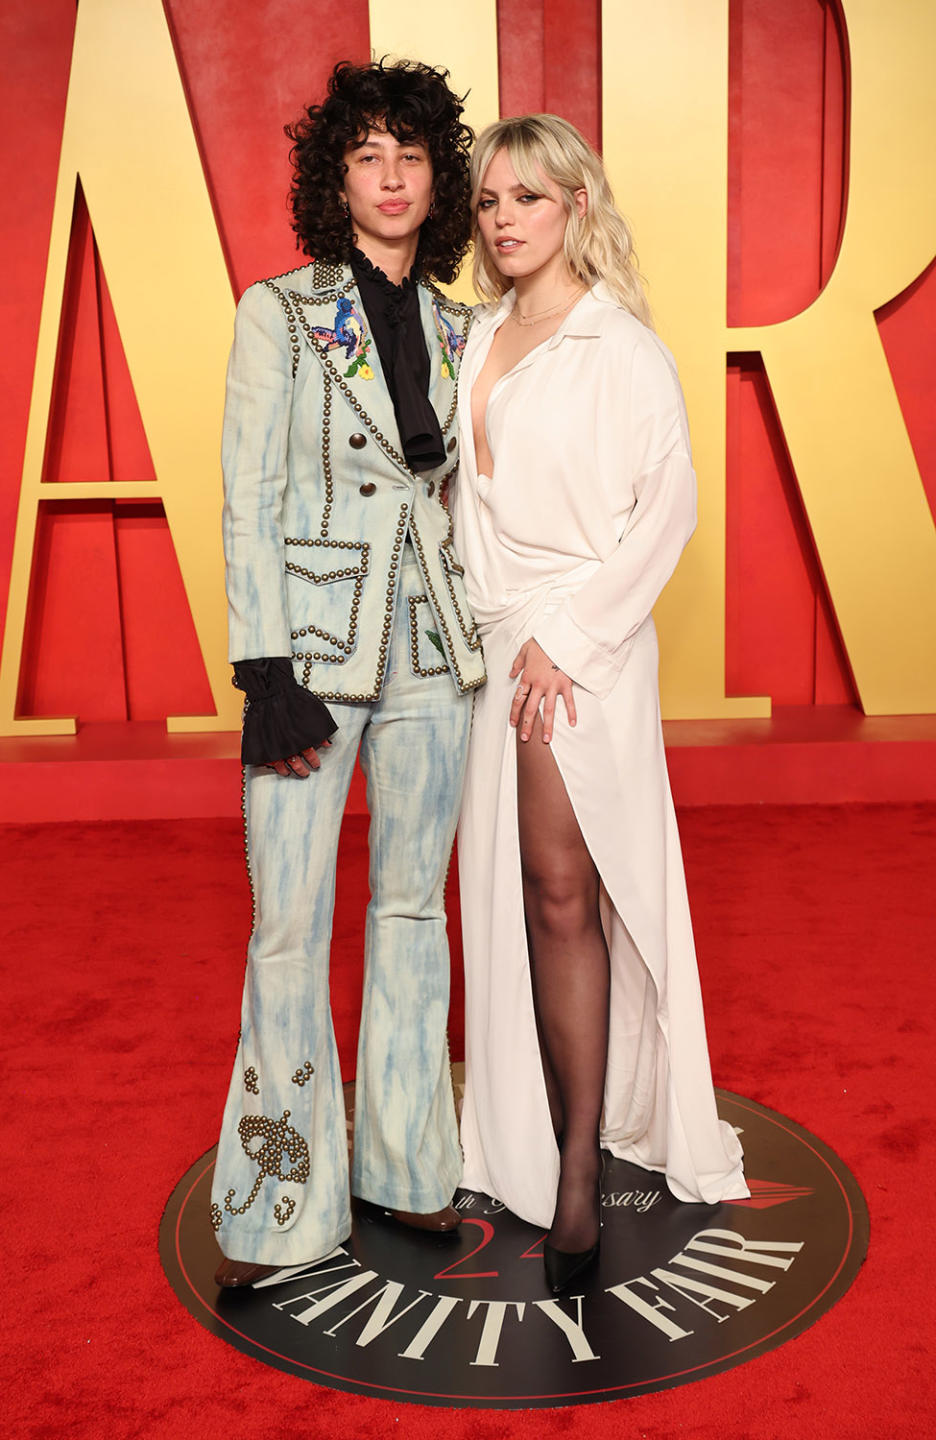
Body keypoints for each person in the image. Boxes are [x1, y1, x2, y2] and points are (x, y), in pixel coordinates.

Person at [453, 114, 748, 1295]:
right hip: (496, 651)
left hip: (581, 650)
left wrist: (565, 640)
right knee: (525, 893)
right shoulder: (476, 336)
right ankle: (530, 1129)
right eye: (487, 201)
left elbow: (665, 514)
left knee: (567, 891)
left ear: (577, 203)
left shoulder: (621, 348)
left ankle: (577, 1161)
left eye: (528, 195)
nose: (504, 217)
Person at [210, 59, 485, 1287]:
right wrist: (263, 664)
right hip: (310, 664)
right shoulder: (277, 311)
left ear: (439, 182)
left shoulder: (464, 329)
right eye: (367, 154)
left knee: (415, 915)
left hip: (435, 652)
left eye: (411, 156)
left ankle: (407, 1166)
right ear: (339, 178)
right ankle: (277, 1211)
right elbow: (249, 497)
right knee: (287, 929)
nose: (389, 175)